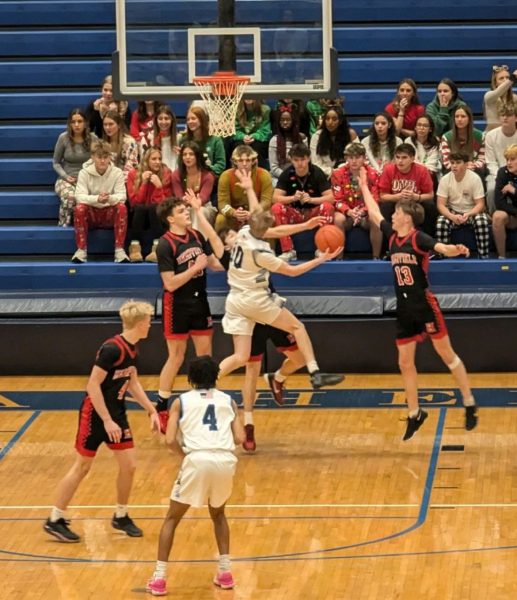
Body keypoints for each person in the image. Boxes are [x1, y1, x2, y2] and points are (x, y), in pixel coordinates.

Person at [188, 180, 324, 452]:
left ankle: (278, 377)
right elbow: (217, 234)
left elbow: (266, 224)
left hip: (261, 302)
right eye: (225, 236)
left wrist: (303, 226)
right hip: (256, 305)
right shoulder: (235, 249)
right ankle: (248, 424)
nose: (229, 237)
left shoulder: (247, 233)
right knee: (250, 366)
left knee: (293, 357)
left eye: (230, 234)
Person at [358, 169, 478, 440]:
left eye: (397, 212)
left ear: (407, 217)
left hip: (424, 305)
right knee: (404, 363)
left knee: (448, 356)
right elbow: (375, 213)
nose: (392, 215)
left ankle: (469, 402)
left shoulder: (418, 238)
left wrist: (455, 248)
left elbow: (441, 248)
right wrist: (364, 186)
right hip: (404, 308)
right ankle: (415, 413)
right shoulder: (391, 235)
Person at [44, 300, 160, 542]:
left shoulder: (133, 348)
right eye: (149, 321)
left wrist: (151, 410)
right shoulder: (111, 349)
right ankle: (55, 518)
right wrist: (107, 420)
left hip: (116, 413)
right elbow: (92, 385)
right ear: (139, 324)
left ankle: (121, 515)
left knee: (129, 466)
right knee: (82, 467)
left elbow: (133, 381)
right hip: (96, 415)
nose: (151, 324)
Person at [145, 356, 245, 596]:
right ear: (215, 378)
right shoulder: (229, 401)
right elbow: (240, 438)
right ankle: (225, 572)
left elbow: (169, 440)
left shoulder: (180, 401)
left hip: (196, 459)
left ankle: (159, 578)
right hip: (224, 459)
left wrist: (185, 456)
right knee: (219, 514)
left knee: (172, 518)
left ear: (190, 379)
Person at [216, 205, 344, 389]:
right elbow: (292, 271)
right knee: (298, 327)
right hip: (255, 300)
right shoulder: (261, 253)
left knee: (240, 357)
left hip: (236, 301)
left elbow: (277, 231)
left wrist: (306, 225)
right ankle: (315, 373)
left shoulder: (244, 232)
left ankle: (205, 384)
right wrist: (320, 259)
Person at [154, 196, 223, 433]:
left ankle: (205, 402)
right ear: (170, 218)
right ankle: (162, 406)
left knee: (205, 356)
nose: (186, 213)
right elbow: (170, 283)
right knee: (176, 357)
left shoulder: (196, 236)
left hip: (200, 301)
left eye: (186, 210)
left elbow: (213, 263)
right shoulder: (164, 245)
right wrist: (195, 268)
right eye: (181, 211)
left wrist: (237, 264)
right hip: (177, 304)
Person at [272, 143, 335, 262]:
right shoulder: (286, 173)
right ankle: (288, 250)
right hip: (294, 213)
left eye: (303, 159)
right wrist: (292, 198)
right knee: (276, 208)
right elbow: (275, 198)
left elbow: (331, 198)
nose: (300, 163)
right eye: (296, 160)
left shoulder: (317, 172)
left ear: (309, 158)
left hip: (313, 213)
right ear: (291, 160)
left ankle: (323, 249)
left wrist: (312, 200)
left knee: (327, 207)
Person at [72, 140, 129, 264]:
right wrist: (97, 199)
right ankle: (81, 250)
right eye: (99, 157)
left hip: (109, 214)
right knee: (79, 209)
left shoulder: (117, 173)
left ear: (110, 158)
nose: (102, 161)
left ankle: (119, 250)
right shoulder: (84, 173)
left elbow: (122, 196)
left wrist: (109, 198)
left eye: (105, 157)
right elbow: (79, 197)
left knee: (122, 208)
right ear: (92, 157)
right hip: (92, 214)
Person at [331, 142, 383, 259]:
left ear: (364, 158)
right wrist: (349, 212)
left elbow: (375, 198)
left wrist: (363, 211)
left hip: (365, 214)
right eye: (350, 157)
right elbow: (337, 199)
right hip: (347, 214)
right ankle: (339, 258)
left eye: (357, 157)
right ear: (346, 158)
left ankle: (376, 257)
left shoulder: (373, 174)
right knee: (338, 219)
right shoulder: (337, 174)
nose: (354, 161)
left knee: (376, 218)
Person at [435, 152, 490, 259]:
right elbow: (440, 205)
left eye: (458, 163)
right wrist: (451, 216)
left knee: (481, 221)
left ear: (466, 164)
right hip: (453, 211)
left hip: (472, 211)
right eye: (452, 163)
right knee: (441, 222)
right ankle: (443, 256)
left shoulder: (475, 178)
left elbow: (480, 204)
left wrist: (468, 214)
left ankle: (484, 256)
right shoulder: (445, 179)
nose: (454, 165)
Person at [378, 142, 437, 237]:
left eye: (404, 158)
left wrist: (416, 197)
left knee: (430, 206)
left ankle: (427, 242)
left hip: (416, 203)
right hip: (395, 202)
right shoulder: (388, 170)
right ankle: (389, 244)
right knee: (385, 207)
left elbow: (430, 195)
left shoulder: (422, 170)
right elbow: (383, 196)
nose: (400, 161)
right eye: (397, 157)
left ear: (412, 159)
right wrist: (397, 197)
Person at [126, 146, 172, 262]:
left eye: (159, 159)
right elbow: (134, 202)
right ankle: (135, 247)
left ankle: (157, 248)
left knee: (153, 208)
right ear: (146, 160)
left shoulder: (166, 173)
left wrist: (159, 187)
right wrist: (144, 184)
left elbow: (165, 206)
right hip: (138, 215)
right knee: (140, 208)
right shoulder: (133, 174)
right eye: (154, 159)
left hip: (157, 215)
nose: (158, 162)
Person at [53, 108, 97, 227]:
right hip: (67, 179)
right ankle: (63, 226)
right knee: (70, 197)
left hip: (87, 180)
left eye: (80, 121)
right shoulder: (63, 138)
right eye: (73, 122)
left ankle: (85, 227)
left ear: (86, 123)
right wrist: (65, 176)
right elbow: (56, 163)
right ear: (70, 124)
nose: (76, 125)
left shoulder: (93, 139)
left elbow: (98, 160)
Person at [215, 145, 273, 232]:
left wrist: (253, 213)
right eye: (241, 160)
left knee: (268, 218)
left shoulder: (264, 175)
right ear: (235, 161)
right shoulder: (225, 176)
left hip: (257, 213)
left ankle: (268, 246)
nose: (244, 164)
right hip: (234, 214)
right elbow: (222, 204)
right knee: (220, 220)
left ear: (253, 161)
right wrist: (234, 213)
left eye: (248, 160)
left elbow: (266, 201)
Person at [171, 141, 216, 229]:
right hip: (184, 206)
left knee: (197, 211)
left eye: (191, 154)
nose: (187, 157)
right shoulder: (176, 175)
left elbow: (202, 200)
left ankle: (197, 241)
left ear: (197, 156)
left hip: (204, 207)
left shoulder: (208, 176)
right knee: (183, 211)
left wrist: (193, 202)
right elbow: (179, 199)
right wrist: (188, 201)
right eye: (184, 154)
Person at [485, 103, 517, 213]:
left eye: (509, 114)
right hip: (497, 173)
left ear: (516, 118)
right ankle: (493, 216)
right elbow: (490, 162)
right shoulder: (490, 136)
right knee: (491, 189)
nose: (505, 117)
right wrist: (501, 177)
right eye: (502, 115)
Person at [309, 105, 357, 178]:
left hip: (346, 173)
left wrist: (342, 170)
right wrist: (332, 172)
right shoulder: (316, 136)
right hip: (323, 175)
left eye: (334, 119)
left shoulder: (350, 134)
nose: (330, 122)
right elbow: (315, 163)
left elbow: (357, 157)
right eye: (327, 119)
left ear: (340, 121)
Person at [178, 105, 226, 178]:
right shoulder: (183, 140)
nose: (190, 121)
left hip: (209, 177)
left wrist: (204, 170)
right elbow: (180, 165)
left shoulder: (215, 140)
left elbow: (221, 165)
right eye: (188, 119)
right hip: (189, 177)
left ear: (202, 119)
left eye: (193, 118)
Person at [440, 105, 486, 179]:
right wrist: (461, 167)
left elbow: (482, 159)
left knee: (479, 173)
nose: (459, 119)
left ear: (469, 119)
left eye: (463, 116)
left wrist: (473, 165)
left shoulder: (480, 136)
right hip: (453, 169)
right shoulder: (446, 137)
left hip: (473, 169)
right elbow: (446, 162)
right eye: (457, 116)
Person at [268, 106, 307, 186]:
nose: (285, 122)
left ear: (293, 121)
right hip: (279, 176)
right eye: (282, 120)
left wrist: (298, 175)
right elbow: (274, 168)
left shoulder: (301, 139)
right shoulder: (274, 140)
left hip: (300, 175)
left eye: (288, 120)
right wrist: (289, 177)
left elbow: (306, 162)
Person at [84, 74, 131, 138]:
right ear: (101, 90)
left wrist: (115, 115)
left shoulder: (124, 106)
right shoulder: (94, 105)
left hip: (119, 142)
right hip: (100, 141)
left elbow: (126, 131)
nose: (108, 93)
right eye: (105, 90)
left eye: (112, 91)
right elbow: (89, 129)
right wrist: (96, 112)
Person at [492, 144, 517, 258]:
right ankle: (501, 257)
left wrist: (514, 191)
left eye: (512, 159)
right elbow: (499, 202)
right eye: (507, 159)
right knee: (498, 216)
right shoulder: (503, 172)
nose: (508, 163)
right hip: (513, 215)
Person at [231, 99, 272, 168]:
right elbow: (234, 130)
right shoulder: (236, 109)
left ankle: (258, 173)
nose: (249, 97)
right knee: (237, 145)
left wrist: (253, 136)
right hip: (241, 139)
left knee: (257, 147)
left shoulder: (265, 109)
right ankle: (237, 171)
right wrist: (243, 136)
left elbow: (265, 131)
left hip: (259, 140)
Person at [405, 114, 441, 188]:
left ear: (430, 129)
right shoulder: (408, 141)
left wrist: (424, 171)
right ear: (415, 127)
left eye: (425, 126)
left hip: (430, 174)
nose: (421, 128)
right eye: (419, 125)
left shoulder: (435, 142)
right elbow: (410, 161)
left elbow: (433, 162)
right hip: (411, 174)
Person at [102, 109, 139, 182]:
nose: (107, 127)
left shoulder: (130, 142)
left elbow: (131, 167)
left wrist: (115, 181)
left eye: (111, 124)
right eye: (105, 124)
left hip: (124, 181)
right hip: (105, 181)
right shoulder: (103, 143)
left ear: (119, 125)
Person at [483, 65, 517, 132]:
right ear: (495, 83)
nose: (505, 80)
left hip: (510, 136)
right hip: (492, 137)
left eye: (507, 77)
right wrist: (512, 78)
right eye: (501, 78)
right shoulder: (489, 96)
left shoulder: (515, 98)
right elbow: (498, 92)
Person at [151, 104, 179, 171]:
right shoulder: (149, 139)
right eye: (160, 119)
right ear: (156, 120)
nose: (163, 122)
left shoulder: (179, 138)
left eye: (166, 118)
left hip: (175, 177)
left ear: (172, 120)